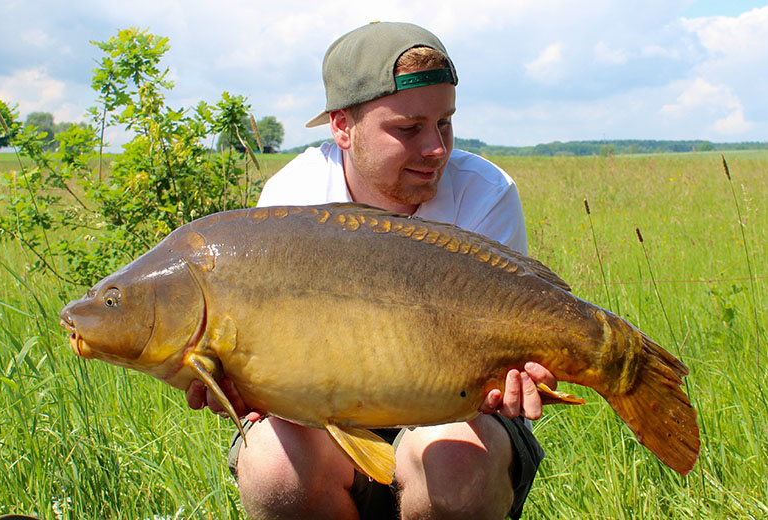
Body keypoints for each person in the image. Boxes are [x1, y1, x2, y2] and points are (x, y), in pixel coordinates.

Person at [186, 21, 557, 520]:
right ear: (342, 127)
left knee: (454, 463)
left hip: (457, 409)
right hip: (322, 414)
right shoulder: (292, 202)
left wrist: (521, 372)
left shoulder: (484, 192)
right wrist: (235, 378)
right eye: (408, 129)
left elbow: (508, 348)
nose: (437, 148)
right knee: (275, 468)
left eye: (445, 122)